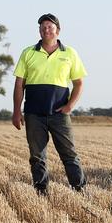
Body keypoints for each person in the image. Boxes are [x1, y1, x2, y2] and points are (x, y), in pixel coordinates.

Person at [11, 13, 87, 195]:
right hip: (33, 113)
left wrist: (69, 107)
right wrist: (16, 111)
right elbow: (19, 84)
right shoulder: (28, 53)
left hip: (59, 114)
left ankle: (79, 189)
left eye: (50, 27)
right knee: (37, 157)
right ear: (39, 31)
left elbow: (79, 83)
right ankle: (41, 190)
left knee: (69, 154)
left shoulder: (70, 53)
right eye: (43, 27)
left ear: (58, 31)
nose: (46, 30)